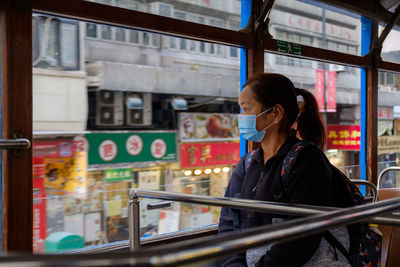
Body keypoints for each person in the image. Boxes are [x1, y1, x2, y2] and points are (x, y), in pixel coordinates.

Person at [218, 73, 353, 266]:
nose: (241, 117)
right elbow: (229, 223)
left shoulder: (307, 160)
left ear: (276, 113)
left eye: (246, 108)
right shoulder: (247, 165)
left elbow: (302, 236)